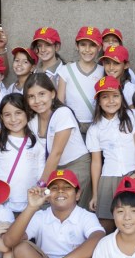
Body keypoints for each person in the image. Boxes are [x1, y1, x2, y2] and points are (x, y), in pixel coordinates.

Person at [24, 72, 93, 206]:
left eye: (42, 94)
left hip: (76, 166)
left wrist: (42, 185)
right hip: (54, 169)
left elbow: (56, 153)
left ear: (53, 94)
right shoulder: (32, 120)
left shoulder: (62, 113)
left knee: (71, 210)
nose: (37, 101)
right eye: (31, 96)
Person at [86, 76, 135, 229]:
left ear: (121, 96)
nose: (111, 101)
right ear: (98, 101)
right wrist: (95, 194)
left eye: (115, 96)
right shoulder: (95, 128)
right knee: (106, 224)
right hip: (109, 179)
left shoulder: (133, 116)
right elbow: (96, 162)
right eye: (105, 97)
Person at [0, 93, 45, 214]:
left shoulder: (38, 144)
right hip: (3, 206)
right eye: (7, 115)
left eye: (18, 113)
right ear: (1, 117)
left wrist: (40, 191)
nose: (13, 119)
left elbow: (41, 174)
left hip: (30, 205)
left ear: (27, 113)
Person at [57, 26, 105, 135]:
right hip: (72, 127)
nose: (87, 50)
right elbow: (59, 104)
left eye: (92, 45)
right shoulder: (65, 70)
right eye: (83, 44)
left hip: (97, 127)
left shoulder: (103, 71)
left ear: (99, 47)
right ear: (77, 46)